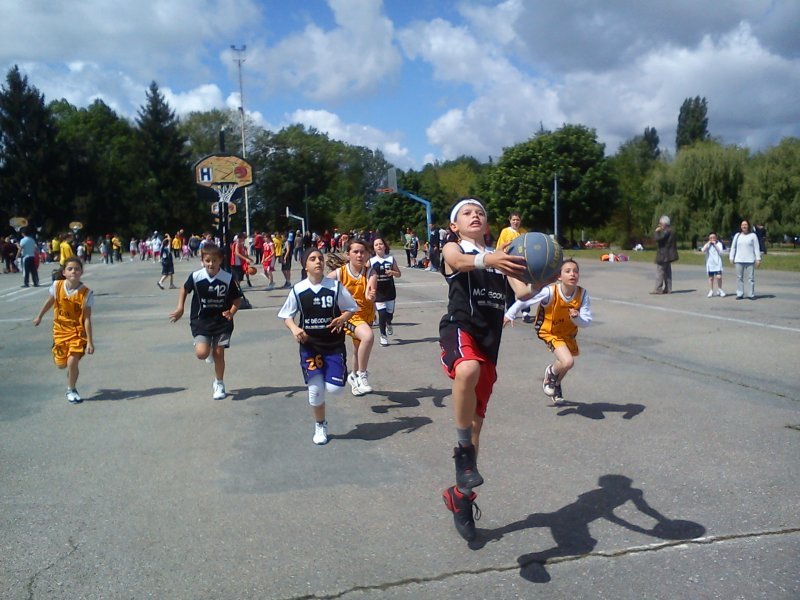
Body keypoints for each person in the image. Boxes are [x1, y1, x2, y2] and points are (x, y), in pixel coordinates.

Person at [438, 197, 531, 542]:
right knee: (466, 369)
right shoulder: (454, 248)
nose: (475, 215)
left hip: (490, 343)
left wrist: (540, 272)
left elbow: (525, 291)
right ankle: (462, 453)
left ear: (488, 225)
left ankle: (460, 497)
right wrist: (489, 259)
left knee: (476, 422)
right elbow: (457, 262)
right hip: (460, 328)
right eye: (467, 213)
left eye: (480, 213)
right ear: (455, 226)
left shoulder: (500, 259)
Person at [278, 248, 358, 445]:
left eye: (320, 258)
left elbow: (351, 307)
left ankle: (345, 375)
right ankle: (320, 424)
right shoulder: (298, 289)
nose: (318, 262)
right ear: (305, 265)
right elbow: (286, 315)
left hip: (333, 345)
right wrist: (294, 328)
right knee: (315, 389)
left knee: (335, 389)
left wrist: (343, 318)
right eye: (312, 259)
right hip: (310, 346)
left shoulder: (335, 287)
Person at [504, 258, 592, 405]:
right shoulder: (550, 291)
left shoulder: (582, 294)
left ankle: (555, 384)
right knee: (567, 361)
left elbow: (586, 322)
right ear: (559, 276)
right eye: (567, 271)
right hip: (549, 331)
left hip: (568, 333)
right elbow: (525, 300)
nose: (572, 274)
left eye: (575, 271)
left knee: (565, 363)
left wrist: (576, 318)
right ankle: (551, 372)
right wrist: (510, 314)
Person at [169, 243, 243, 400]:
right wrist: (180, 307)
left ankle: (219, 383)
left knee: (219, 353)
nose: (211, 264)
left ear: (220, 260)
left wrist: (231, 312)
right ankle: (207, 349)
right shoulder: (196, 277)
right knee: (201, 354)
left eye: (214, 260)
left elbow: (237, 300)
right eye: (207, 260)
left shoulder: (227, 278)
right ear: (202, 260)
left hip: (222, 321)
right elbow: (184, 289)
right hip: (201, 320)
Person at [33, 257, 94, 404]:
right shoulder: (57, 286)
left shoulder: (86, 293)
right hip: (60, 331)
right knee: (62, 365)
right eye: (70, 269)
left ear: (81, 272)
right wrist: (39, 316)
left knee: (72, 362)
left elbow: (87, 319)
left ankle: (71, 389)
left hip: (77, 333)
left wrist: (90, 342)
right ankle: (59, 351)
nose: (73, 271)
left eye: (77, 269)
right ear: (64, 272)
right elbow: (49, 302)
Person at [327, 238, 377, 396]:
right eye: (356, 252)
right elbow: (321, 286)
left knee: (359, 348)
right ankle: (362, 375)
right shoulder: (339, 274)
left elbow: (370, 291)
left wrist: (370, 296)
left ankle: (354, 377)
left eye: (363, 252)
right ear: (348, 254)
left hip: (366, 315)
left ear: (367, 254)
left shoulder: (370, 272)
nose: (360, 255)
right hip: (349, 315)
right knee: (368, 337)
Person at [368, 236, 401, 347]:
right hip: (378, 291)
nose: (379, 246)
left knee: (389, 315)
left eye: (381, 244)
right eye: (376, 245)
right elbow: (365, 275)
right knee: (381, 314)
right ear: (373, 248)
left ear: (385, 246)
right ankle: (383, 336)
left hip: (389, 290)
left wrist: (393, 272)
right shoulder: (371, 261)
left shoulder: (390, 259)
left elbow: (399, 274)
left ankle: (389, 323)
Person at [729, 219, 761, 300]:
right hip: (739, 260)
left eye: (746, 224)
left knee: (751, 278)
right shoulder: (737, 235)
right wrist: (731, 257)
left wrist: (758, 258)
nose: (744, 226)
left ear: (748, 226)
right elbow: (733, 247)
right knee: (739, 278)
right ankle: (739, 294)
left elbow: (756, 248)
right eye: (743, 225)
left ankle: (751, 294)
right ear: (741, 226)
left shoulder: (753, 236)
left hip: (750, 260)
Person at [651, 215, 678, 294]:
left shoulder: (666, 231)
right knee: (667, 272)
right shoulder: (672, 231)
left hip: (663, 254)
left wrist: (656, 232)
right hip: (668, 255)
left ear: (664, 224)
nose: (659, 225)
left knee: (660, 271)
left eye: (660, 224)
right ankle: (668, 288)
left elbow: (658, 239)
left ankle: (658, 288)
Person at [701, 232, 726, 297]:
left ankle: (720, 289)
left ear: (716, 238)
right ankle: (711, 291)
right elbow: (703, 250)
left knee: (719, 277)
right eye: (711, 238)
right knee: (711, 278)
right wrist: (708, 244)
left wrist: (715, 244)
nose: (712, 239)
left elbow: (721, 251)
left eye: (714, 237)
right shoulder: (708, 244)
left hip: (717, 263)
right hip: (710, 264)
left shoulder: (719, 244)